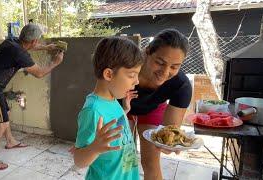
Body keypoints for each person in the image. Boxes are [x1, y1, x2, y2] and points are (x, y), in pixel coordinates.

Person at [0, 23, 64, 170]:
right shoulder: (19, 53)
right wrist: (55, 63)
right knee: (2, 123)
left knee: (7, 112)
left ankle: (10, 141)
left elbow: (30, 46)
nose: (37, 43)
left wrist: (46, 47)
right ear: (34, 41)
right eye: (37, 41)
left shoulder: (12, 42)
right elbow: (39, 73)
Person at [124, 29, 192, 180]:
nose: (165, 72)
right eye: (160, 63)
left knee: (151, 164)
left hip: (152, 108)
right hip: (120, 106)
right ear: (147, 52)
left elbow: (170, 131)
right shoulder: (126, 67)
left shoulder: (181, 85)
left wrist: (169, 144)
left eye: (174, 66)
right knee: (121, 159)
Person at [73, 37, 143, 180]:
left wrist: (125, 110)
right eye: (132, 75)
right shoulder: (92, 110)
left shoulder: (112, 99)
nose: (137, 81)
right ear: (109, 74)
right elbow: (78, 160)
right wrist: (94, 148)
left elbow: (112, 123)